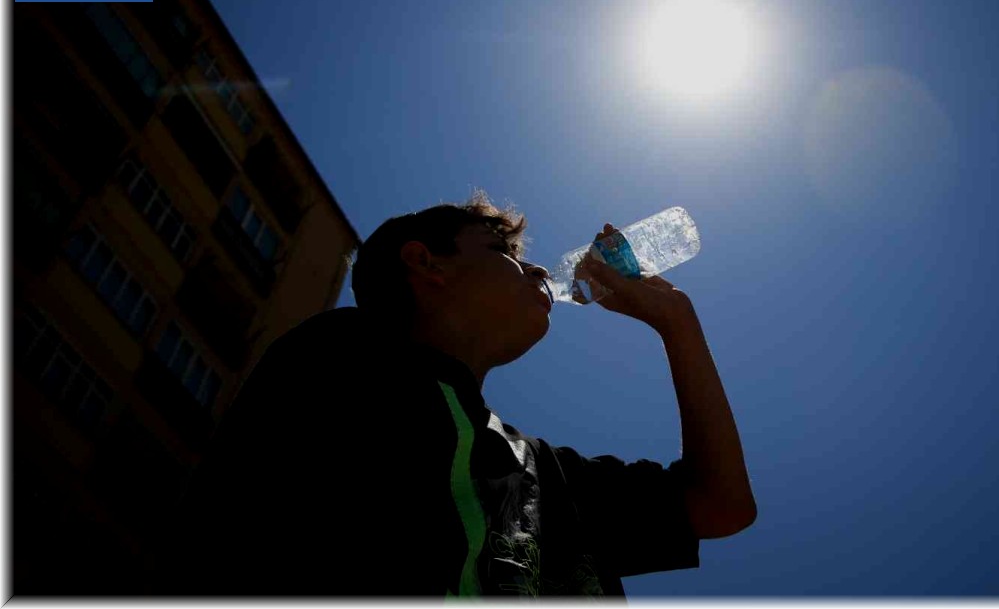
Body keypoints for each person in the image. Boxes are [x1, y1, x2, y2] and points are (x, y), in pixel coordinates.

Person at [158, 190, 755, 597]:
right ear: (426, 264)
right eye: (505, 255)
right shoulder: (343, 361)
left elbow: (720, 505)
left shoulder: (541, 475)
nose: (542, 272)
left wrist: (678, 322)